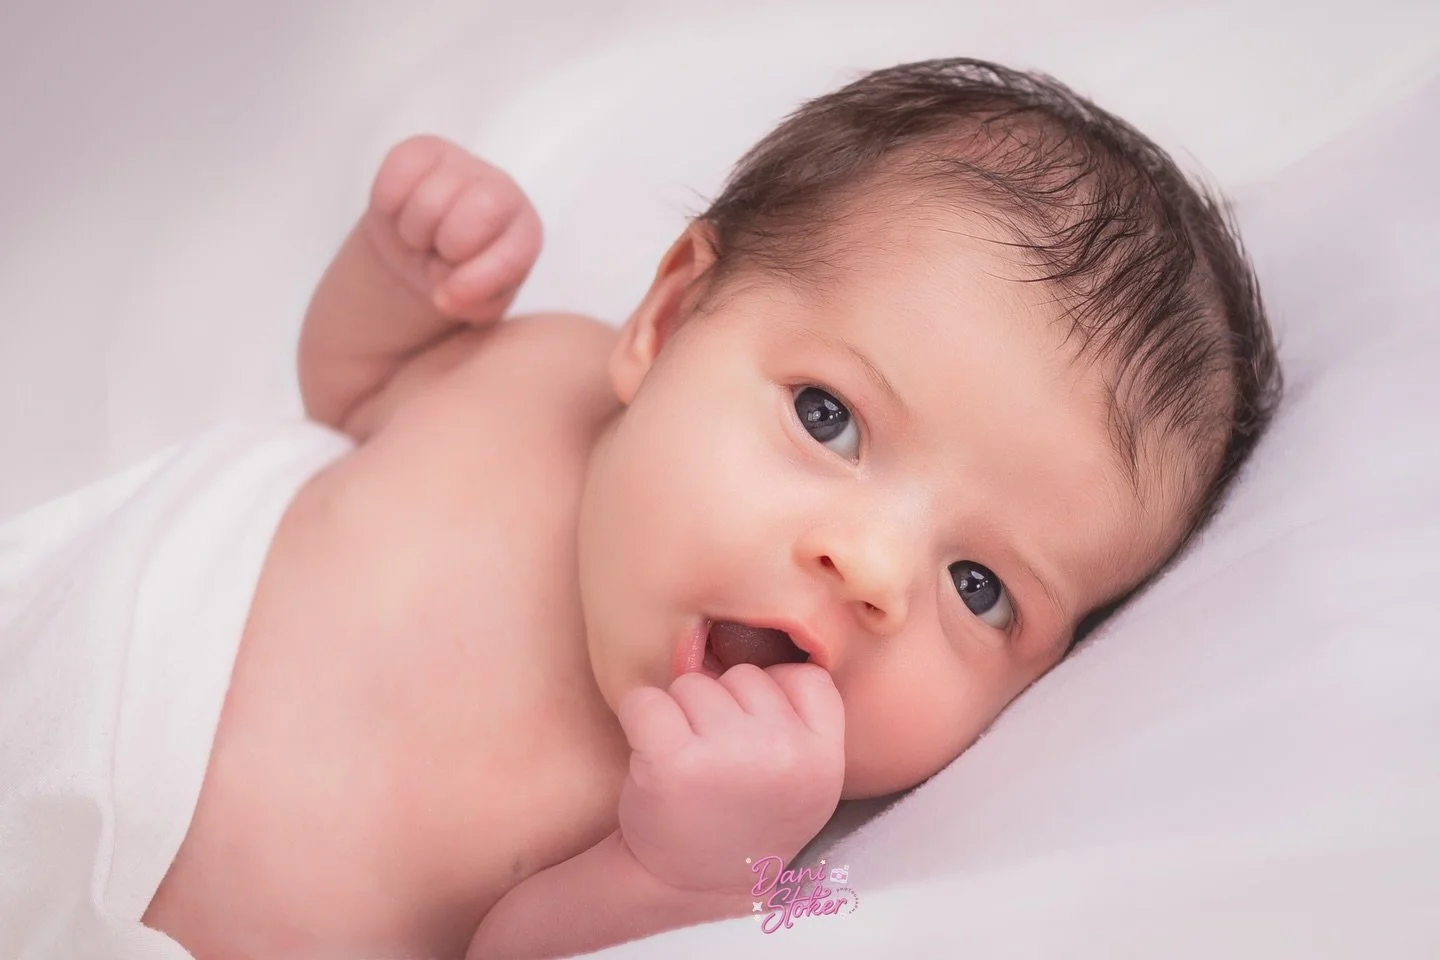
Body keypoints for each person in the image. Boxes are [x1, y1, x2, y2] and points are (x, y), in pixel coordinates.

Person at [15, 58, 1283, 960]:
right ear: (670, 321)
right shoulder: (546, 368)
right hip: (62, 638)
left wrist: (685, 876)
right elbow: (353, 393)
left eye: (981, 587)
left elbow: (520, 951)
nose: (874, 569)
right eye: (828, 417)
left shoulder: (759, 820)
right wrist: (395, 277)